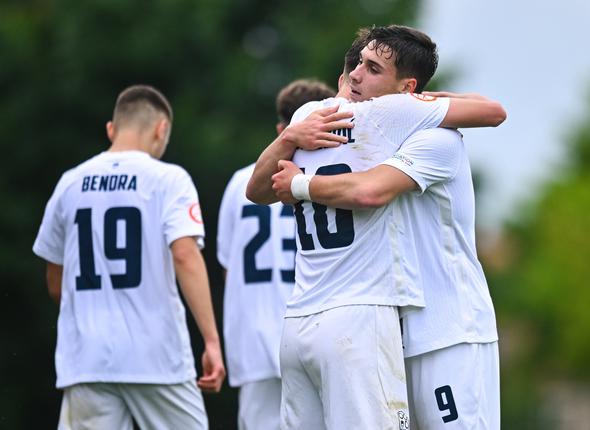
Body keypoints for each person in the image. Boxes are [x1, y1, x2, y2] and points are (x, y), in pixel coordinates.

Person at [247, 25, 505, 430]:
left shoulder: (435, 139)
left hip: (449, 327)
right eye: (356, 67)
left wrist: (298, 181)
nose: (355, 78)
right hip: (386, 324)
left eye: (372, 69)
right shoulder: (369, 124)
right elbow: (490, 110)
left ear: (407, 89)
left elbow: (371, 189)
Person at [32, 85, 225, 430]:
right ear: (160, 129)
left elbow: (55, 281)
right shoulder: (169, 178)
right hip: (157, 356)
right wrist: (211, 340)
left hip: (87, 359)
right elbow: (184, 255)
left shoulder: (70, 183)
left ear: (112, 129)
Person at [216, 79, 335, 430]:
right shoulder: (333, 178)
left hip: (252, 335)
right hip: (316, 327)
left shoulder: (241, 183)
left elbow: (229, 269)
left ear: (280, 130)